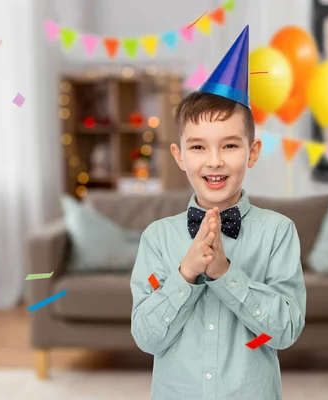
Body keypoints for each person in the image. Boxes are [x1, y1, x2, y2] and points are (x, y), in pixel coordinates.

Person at [130, 25, 306, 400]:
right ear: (179, 156)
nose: (214, 161)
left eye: (229, 145)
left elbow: (286, 331)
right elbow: (146, 338)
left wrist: (226, 274)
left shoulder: (278, 232)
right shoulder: (157, 238)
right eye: (197, 147)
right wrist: (185, 274)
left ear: (252, 152)